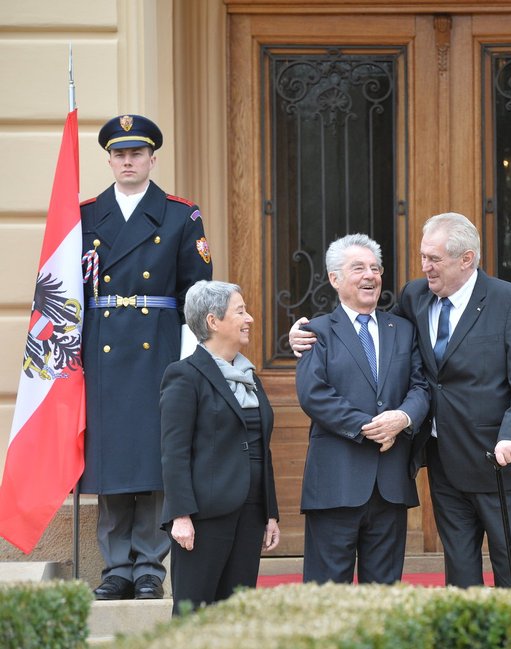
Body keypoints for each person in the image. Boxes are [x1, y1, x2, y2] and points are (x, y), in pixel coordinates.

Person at [290, 213, 511, 588]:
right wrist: (301, 333)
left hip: (500, 462)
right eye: (423, 256)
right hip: (445, 463)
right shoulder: (415, 296)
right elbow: (369, 334)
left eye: (434, 259)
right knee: (460, 575)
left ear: (466, 259)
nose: (424, 266)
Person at [78, 114, 212, 600]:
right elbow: (66, 290)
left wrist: (192, 357)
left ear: (153, 159)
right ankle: (116, 567)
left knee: (158, 453)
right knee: (111, 455)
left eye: (137, 153)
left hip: (160, 344)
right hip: (103, 348)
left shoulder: (180, 214)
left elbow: (197, 294)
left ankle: (150, 567)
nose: (128, 161)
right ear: (110, 159)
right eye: (119, 154)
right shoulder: (86, 214)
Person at [295, 234, 429, 585]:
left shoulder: (403, 330)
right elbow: (314, 394)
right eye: (359, 268)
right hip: (335, 485)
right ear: (335, 278)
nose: (370, 275)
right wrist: (370, 427)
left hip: (390, 484)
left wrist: (402, 418)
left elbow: (422, 387)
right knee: (326, 596)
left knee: (383, 597)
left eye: (375, 268)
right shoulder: (316, 332)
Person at [159, 281, 280, 614]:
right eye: (240, 311)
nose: (250, 319)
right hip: (203, 517)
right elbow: (174, 452)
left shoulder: (250, 377)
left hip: (250, 513)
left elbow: (260, 448)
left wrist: (270, 513)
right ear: (213, 321)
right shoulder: (184, 375)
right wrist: (179, 515)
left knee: (234, 615)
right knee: (194, 614)